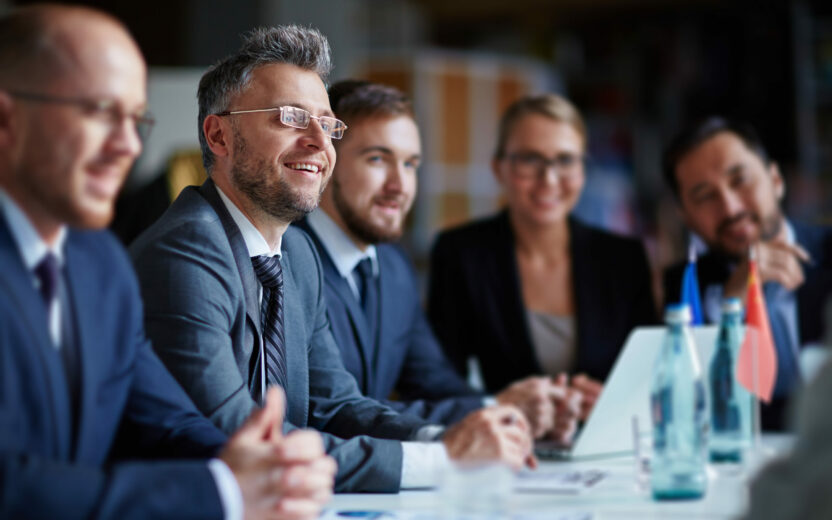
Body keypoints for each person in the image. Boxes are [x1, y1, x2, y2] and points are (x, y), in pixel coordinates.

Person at [129, 26, 534, 494]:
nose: (320, 143)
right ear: (219, 135)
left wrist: (447, 441)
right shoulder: (187, 251)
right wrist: (442, 463)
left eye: (328, 124)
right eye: (291, 118)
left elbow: (336, 405)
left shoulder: (297, 253)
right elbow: (243, 440)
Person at [0, 5, 335, 520]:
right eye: (98, 112)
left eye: (135, 120)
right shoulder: (176, 246)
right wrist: (221, 492)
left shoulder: (98, 263)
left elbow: (166, 419)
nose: (128, 146)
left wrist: (258, 464)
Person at [294, 80, 580, 441]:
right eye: (378, 159)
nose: (400, 185)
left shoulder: (395, 268)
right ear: (325, 159)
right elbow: (333, 411)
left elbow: (435, 383)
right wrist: (494, 410)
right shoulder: (287, 258)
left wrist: (515, 412)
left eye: (411, 164)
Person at [428, 94, 657, 421]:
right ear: (499, 169)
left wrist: (612, 403)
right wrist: (500, 405)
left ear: (583, 168)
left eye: (565, 160)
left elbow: (650, 377)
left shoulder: (624, 259)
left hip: (605, 448)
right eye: (529, 160)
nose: (549, 179)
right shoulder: (461, 253)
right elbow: (438, 380)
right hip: (506, 447)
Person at [662, 117, 832, 430]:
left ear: (776, 180)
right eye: (704, 196)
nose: (729, 207)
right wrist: (733, 304)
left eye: (740, 180)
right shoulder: (683, 289)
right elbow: (687, 410)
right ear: (685, 216)